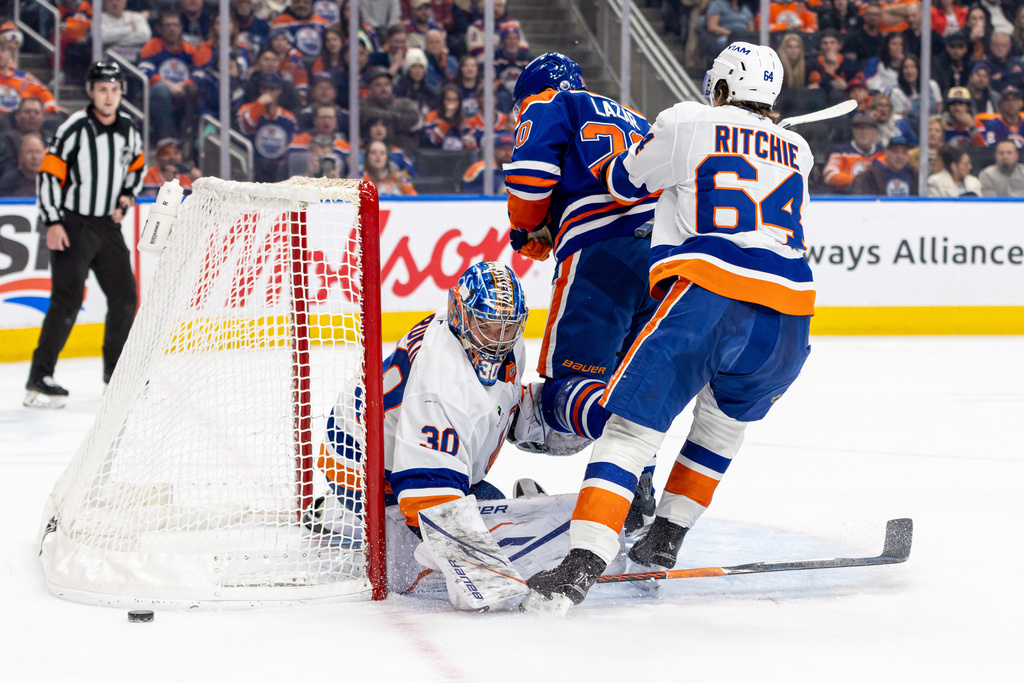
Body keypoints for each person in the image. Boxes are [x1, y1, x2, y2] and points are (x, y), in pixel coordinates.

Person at [522, 43, 814, 612]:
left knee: (630, 433)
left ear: (723, 88)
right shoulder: (799, 150)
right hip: (792, 315)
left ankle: (582, 564)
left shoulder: (686, 120)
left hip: (710, 295)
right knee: (720, 431)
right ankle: (664, 542)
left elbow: (627, 183)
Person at [503, 53, 661, 528]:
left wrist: (525, 228)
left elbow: (531, 177)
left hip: (601, 254)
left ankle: (611, 450)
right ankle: (635, 488)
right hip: (663, 260)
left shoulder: (552, 103)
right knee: (633, 386)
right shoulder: (638, 119)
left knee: (568, 388)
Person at [306, 260, 528, 551]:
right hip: (360, 466)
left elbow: (496, 402)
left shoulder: (477, 340)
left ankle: (342, 512)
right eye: (485, 326)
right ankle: (345, 514)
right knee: (437, 549)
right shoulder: (441, 378)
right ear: (459, 314)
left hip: (394, 439)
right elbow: (429, 495)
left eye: (507, 328)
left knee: (488, 506)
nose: (497, 341)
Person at [26, 62, 144, 408]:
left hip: (107, 227)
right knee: (66, 302)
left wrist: (126, 197)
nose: (109, 96)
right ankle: (39, 378)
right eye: (102, 88)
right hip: (73, 224)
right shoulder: (74, 128)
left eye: (115, 89)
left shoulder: (129, 130)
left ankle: (116, 375)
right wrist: (53, 221)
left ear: (121, 93)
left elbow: (136, 169)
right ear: (91, 92)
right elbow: (49, 175)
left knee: (125, 297)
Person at [139, 13, 198, 145]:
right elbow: (145, 72)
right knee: (161, 89)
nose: (172, 29)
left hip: (182, 92)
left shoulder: (189, 49)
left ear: (181, 28)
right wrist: (170, 85)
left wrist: (183, 85)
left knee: (194, 89)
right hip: (156, 96)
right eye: (168, 25)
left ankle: (188, 137)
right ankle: (167, 137)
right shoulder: (152, 46)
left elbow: (198, 74)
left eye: (175, 25)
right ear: (160, 29)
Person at [237, 70, 298, 182]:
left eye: (272, 89)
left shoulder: (288, 118)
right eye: (264, 88)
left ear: (279, 90)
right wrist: (260, 104)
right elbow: (245, 126)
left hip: (278, 171)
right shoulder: (247, 109)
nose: (267, 93)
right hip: (253, 166)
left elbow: (292, 146)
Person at [824, 113, 885, 191]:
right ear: (853, 131)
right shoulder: (841, 152)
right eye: (859, 128)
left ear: (875, 132)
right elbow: (829, 175)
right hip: (846, 199)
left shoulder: (881, 153)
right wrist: (857, 180)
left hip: (877, 200)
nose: (863, 132)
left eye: (868, 128)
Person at [852, 134, 917, 195]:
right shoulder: (869, 177)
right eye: (895, 151)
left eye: (904, 152)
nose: (900, 156)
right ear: (886, 154)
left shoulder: (915, 176)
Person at [461, 130, 514, 194]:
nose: (507, 152)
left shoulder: (518, 170)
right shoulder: (479, 169)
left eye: (511, 149)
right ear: (494, 150)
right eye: (502, 149)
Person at [0, 132, 46, 197]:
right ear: (19, 156)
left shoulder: (50, 181)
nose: (35, 157)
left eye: (38, 152)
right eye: (29, 152)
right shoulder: (7, 183)